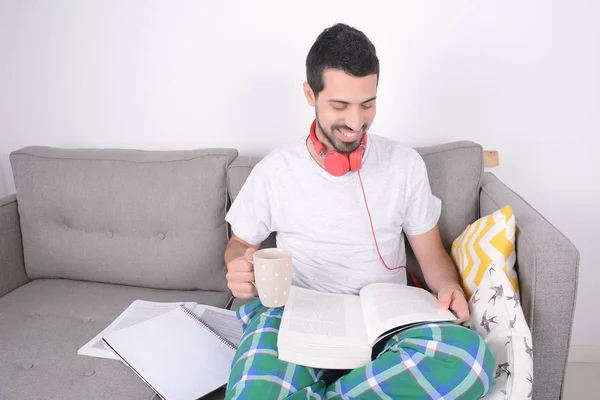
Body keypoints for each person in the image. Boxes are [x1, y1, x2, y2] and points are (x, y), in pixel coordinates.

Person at [223, 23, 494, 400]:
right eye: (340, 105)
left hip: (391, 323)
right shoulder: (274, 170)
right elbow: (239, 243)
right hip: (297, 316)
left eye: (367, 104)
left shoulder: (405, 164)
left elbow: (431, 254)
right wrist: (239, 265)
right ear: (309, 94)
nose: (355, 122)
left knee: (471, 361)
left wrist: (448, 285)